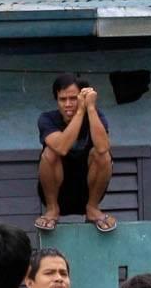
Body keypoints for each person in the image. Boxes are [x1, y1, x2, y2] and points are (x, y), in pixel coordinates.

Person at [36, 72, 115, 233]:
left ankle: (92, 209)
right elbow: (61, 147)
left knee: (103, 156)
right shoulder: (47, 119)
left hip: (87, 188)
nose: (68, 104)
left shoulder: (96, 116)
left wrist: (90, 108)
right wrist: (80, 112)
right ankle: (52, 210)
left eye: (73, 99)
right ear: (56, 101)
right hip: (57, 190)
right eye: (62, 99)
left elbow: (102, 148)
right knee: (50, 153)